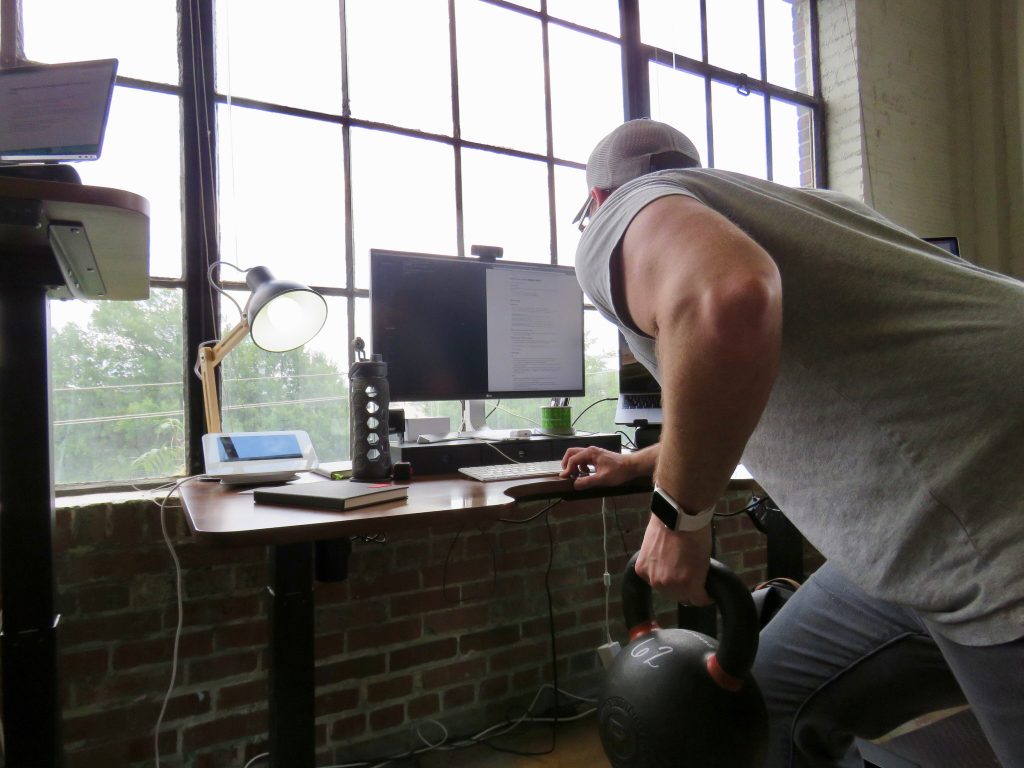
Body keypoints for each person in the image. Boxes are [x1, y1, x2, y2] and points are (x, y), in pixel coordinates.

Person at [559, 118, 1024, 767]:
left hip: (987, 515)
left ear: (600, 201)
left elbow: (727, 296)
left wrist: (678, 515)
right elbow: (759, 397)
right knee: (764, 701)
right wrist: (639, 463)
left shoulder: (621, 217)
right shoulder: (800, 209)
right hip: (939, 520)